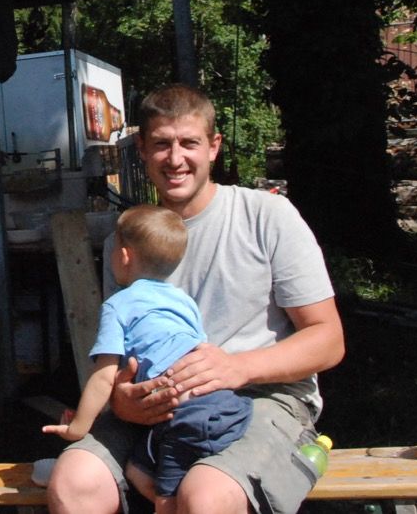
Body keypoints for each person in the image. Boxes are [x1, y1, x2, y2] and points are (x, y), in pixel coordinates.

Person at [47, 84, 344, 514]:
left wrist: (237, 368)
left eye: (189, 143)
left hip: (261, 399)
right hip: (160, 409)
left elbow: (328, 339)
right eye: (161, 144)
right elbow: (118, 360)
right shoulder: (124, 241)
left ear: (213, 147)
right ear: (142, 150)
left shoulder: (266, 216)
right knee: (73, 482)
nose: (175, 158)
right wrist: (123, 400)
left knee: (205, 496)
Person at [43, 204, 252, 513]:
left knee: (167, 500)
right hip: (222, 404)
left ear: (123, 256)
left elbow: (103, 377)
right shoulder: (183, 301)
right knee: (137, 471)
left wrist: (78, 427)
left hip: (184, 417)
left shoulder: (119, 305)